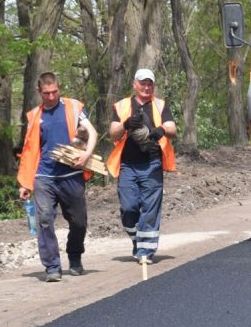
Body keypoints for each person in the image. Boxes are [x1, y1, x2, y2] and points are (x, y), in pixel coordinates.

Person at [16, 72, 99, 282]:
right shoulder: (34, 116)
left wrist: (86, 155)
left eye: (54, 92)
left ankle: (74, 255)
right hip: (44, 176)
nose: (51, 96)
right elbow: (28, 150)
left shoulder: (73, 107)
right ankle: (52, 266)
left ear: (59, 88)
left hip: (72, 173)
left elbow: (93, 132)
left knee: (79, 222)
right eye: (46, 93)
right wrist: (25, 183)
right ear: (39, 92)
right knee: (44, 220)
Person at [108, 68, 178, 265]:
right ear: (134, 84)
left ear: (153, 86)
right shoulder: (122, 106)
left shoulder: (159, 105)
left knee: (150, 208)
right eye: (142, 83)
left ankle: (145, 252)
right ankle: (138, 240)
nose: (146, 87)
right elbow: (113, 134)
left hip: (152, 164)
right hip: (128, 165)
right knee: (128, 208)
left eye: (149, 83)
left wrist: (161, 130)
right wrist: (127, 123)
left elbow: (173, 127)